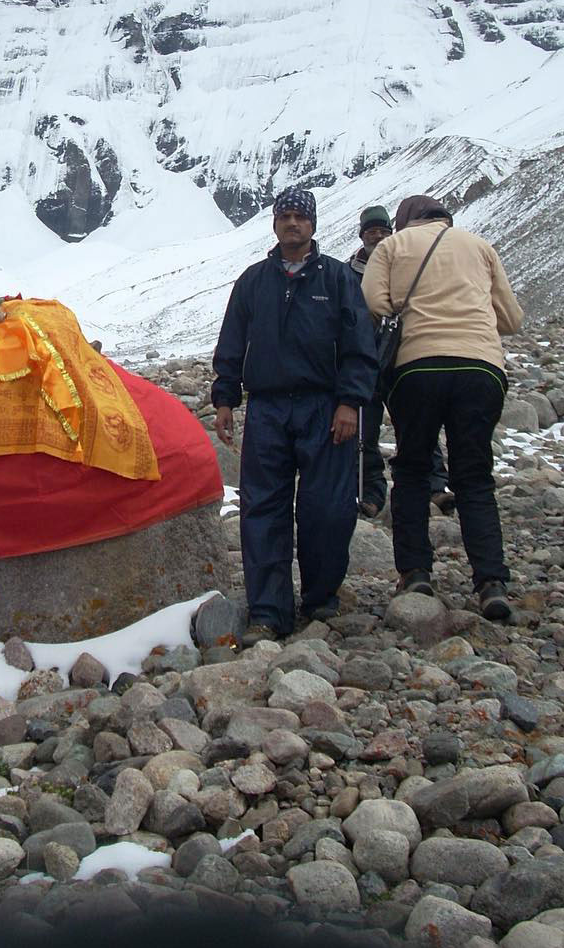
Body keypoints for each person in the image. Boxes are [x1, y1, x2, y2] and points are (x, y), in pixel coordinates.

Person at [212, 187, 378, 642]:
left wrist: (350, 401)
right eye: (284, 216)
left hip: (325, 408)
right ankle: (268, 611)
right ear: (274, 223)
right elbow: (231, 342)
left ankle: (321, 597)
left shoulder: (341, 280)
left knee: (326, 508)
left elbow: (360, 348)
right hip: (266, 408)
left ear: (313, 224)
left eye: (300, 217)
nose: (292, 223)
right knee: (262, 508)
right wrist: (225, 398)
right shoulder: (253, 281)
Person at [361, 194, 523, 620]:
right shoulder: (479, 246)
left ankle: (416, 573)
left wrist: (410, 312)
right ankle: (491, 582)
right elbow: (511, 319)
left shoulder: (392, 247)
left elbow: (373, 303)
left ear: (404, 221)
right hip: (481, 370)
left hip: (417, 368)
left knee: (413, 468)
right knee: (474, 475)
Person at [348, 205, 453, 518]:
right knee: (365, 431)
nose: (377, 236)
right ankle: (370, 494)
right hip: (366, 361)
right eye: (371, 232)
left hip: (402, 357)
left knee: (417, 424)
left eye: (382, 231)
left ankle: (436, 487)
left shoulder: (404, 267)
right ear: (362, 235)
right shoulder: (347, 272)